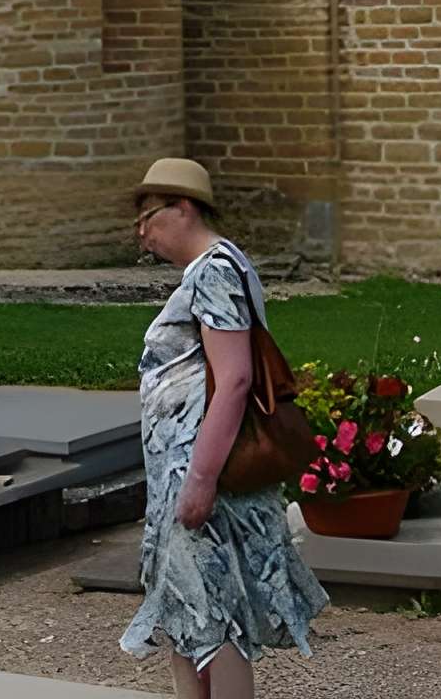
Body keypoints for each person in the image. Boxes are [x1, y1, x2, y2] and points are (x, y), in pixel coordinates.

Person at [121, 158, 328, 697]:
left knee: (213, 616)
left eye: (147, 218)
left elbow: (234, 379)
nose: (141, 235)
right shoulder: (220, 266)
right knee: (190, 613)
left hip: (204, 472)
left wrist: (200, 481)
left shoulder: (214, 270)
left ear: (183, 206)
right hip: (189, 473)